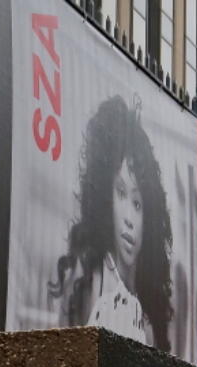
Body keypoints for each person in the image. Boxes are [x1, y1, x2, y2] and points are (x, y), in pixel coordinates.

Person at [50, 94, 174, 353]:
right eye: (120, 193)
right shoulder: (90, 279)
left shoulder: (148, 303)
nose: (129, 218)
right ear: (105, 196)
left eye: (138, 204)